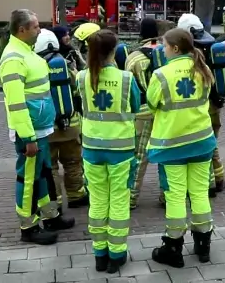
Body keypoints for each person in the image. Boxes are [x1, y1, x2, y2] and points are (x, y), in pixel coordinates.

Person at [0, 9, 74, 245]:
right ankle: (28, 227)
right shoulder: (13, 58)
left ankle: (49, 216)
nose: (39, 30)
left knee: (42, 175)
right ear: (21, 30)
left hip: (39, 130)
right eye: (34, 26)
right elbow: (16, 103)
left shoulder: (25, 53)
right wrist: (28, 137)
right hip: (29, 132)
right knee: (28, 179)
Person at [147, 27, 217, 268]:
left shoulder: (161, 74)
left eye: (164, 45)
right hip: (202, 142)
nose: (162, 49)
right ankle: (203, 245)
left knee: (175, 195)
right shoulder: (203, 69)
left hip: (173, 144)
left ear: (175, 48)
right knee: (199, 193)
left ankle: (173, 247)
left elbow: (151, 102)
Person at [77, 29, 140, 273]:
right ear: (114, 51)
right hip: (121, 150)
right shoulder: (126, 79)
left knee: (97, 200)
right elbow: (135, 105)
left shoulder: (82, 77)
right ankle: (117, 254)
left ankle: (99, 254)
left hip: (92, 148)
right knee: (119, 201)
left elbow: (80, 105)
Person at [35, 28, 89, 209]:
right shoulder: (66, 65)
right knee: (73, 163)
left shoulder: (36, 67)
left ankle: (55, 201)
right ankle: (76, 195)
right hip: (71, 125)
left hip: (47, 127)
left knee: (50, 167)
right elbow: (78, 88)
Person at [177, 14, 225, 196]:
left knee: (202, 147)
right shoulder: (211, 47)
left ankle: (209, 183)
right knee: (211, 144)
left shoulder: (189, 54)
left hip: (201, 108)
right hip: (215, 106)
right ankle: (219, 179)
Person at [125, 18, 162, 209]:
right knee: (167, 156)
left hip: (142, 112)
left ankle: (131, 197)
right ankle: (167, 195)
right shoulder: (167, 52)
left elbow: (129, 86)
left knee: (138, 156)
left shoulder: (133, 57)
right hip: (165, 113)